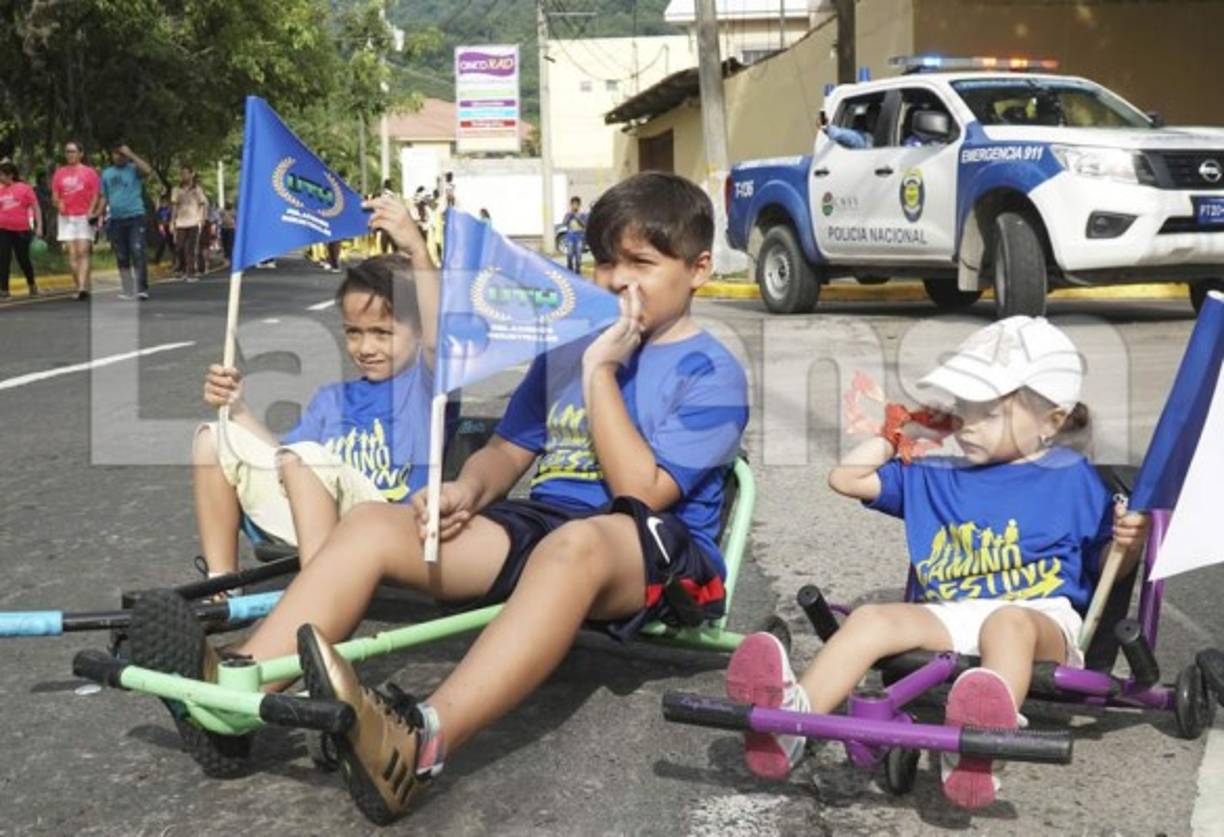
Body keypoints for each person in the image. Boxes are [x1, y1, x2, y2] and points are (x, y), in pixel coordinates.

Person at [128, 171, 749, 825]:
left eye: (642, 263)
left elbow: (640, 494)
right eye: (604, 262)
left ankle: (420, 741)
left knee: (576, 544)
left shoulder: (711, 371)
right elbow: (508, 452)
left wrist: (600, 371)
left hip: (656, 548)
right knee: (371, 523)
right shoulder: (566, 351)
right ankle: (235, 692)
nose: (618, 280)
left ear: (699, 268)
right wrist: (465, 489)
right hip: (545, 520)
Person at [723, 316, 1148, 810]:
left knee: (1006, 624)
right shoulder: (936, 472)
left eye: (987, 412)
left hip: (1040, 616)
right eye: (961, 408)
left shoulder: (1072, 477)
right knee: (872, 618)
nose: (966, 423)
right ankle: (792, 721)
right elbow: (846, 477)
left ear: (1051, 421)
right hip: (954, 610)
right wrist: (900, 428)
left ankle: (978, 748)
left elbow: (1103, 567)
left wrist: (1128, 544)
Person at [190, 195, 443, 592]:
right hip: (321, 521)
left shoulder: (429, 387)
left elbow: (437, 334)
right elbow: (285, 465)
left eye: (383, 333)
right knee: (213, 436)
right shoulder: (332, 399)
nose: (365, 347)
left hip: (390, 525)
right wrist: (236, 408)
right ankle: (222, 586)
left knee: (308, 458)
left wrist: (416, 248)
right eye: (354, 333)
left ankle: (316, 602)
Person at [99, 143, 153, 300]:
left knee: (137, 251)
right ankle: (127, 289)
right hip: (116, 219)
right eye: (116, 154)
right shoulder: (107, 174)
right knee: (122, 255)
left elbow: (148, 170)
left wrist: (131, 154)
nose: (118, 157)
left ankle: (141, 288)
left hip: (135, 217)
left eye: (121, 154)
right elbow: (104, 197)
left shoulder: (133, 169)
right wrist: (98, 213)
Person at [51, 141, 101, 300]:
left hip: (84, 216)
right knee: (72, 254)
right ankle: (79, 285)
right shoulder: (59, 173)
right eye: (67, 151)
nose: (69, 154)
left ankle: (81, 288)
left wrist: (91, 211)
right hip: (66, 218)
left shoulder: (89, 172)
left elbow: (95, 194)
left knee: (83, 252)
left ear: (81, 153)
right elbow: (54, 196)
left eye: (73, 151)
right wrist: (58, 203)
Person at [0, 161, 43, 298]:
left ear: (10, 175)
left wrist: (39, 226)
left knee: (23, 259)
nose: (0, 178)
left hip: (21, 230)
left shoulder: (24, 188)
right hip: (3, 229)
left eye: (1, 175)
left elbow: (36, 207)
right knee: (3, 258)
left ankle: (32, 285)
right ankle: (4, 290)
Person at [170, 165, 207, 281]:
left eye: (186, 173)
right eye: (182, 173)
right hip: (181, 222)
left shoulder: (197, 189)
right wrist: (172, 221)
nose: (184, 176)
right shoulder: (176, 190)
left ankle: (191, 272)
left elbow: (202, 204)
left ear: (192, 174)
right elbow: (174, 206)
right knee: (179, 247)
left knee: (191, 248)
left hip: (194, 221)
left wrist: (202, 219)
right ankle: (181, 269)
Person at [560, 195, 586, 273]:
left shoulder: (582, 215)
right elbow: (564, 223)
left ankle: (577, 271)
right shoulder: (568, 214)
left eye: (576, 204)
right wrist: (570, 216)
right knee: (570, 254)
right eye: (573, 204)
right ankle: (570, 271)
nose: (575, 206)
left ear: (579, 205)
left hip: (579, 236)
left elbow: (585, 225)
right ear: (571, 205)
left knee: (578, 255)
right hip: (570, 236)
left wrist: (578, 219)